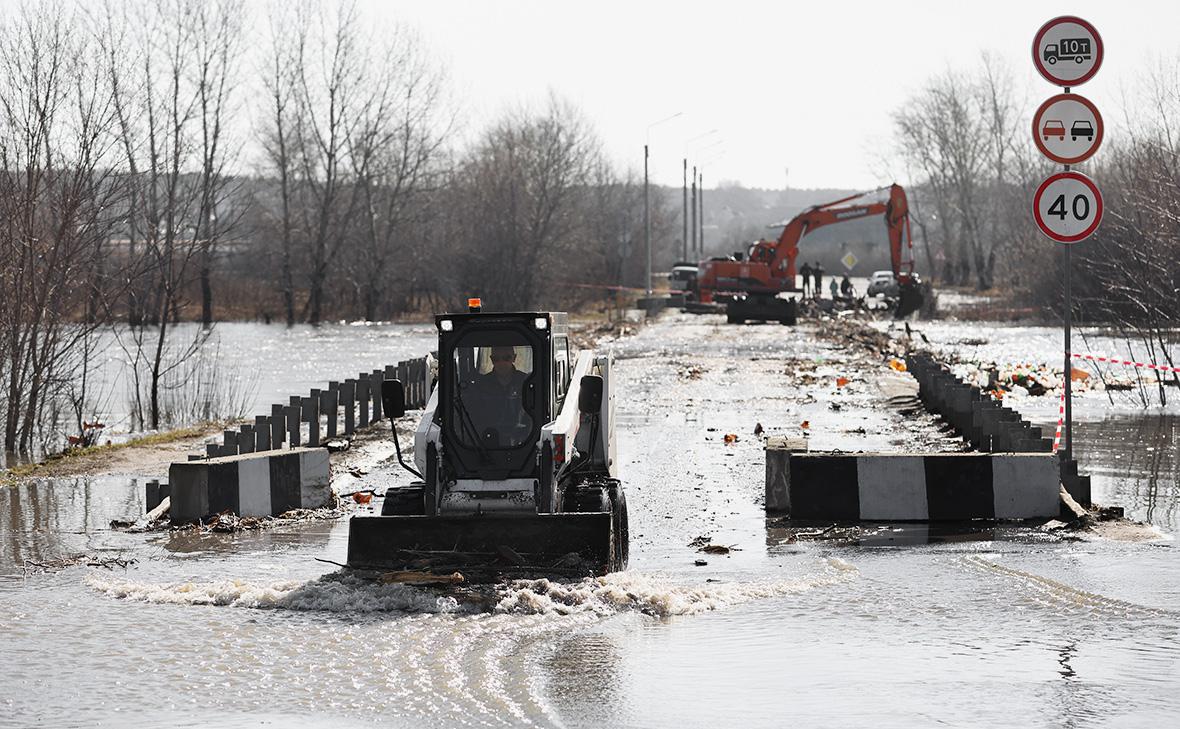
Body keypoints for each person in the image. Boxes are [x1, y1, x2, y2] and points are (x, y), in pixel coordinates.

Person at [474, 345, 530, 444]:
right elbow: (476, 417)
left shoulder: (525, 382)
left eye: (506, 358)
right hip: (488, 441)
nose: (501, 363)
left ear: (514, 358)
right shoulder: (482, 385)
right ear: (491, 359)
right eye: (496, 359)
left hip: (522, 441)